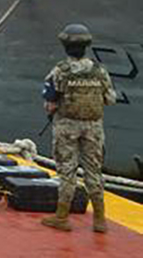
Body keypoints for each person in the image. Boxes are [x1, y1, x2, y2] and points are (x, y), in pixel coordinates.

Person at [41, 23, 117, 233]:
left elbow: (50, 101)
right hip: (94, 128)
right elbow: (110, 99)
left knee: (67, 171)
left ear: (65, 45)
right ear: (87, 45)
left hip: (66, 126)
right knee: (94, 171)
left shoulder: (60, 71)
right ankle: (100, 220)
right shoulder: (99, 70)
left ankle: (62, 216)